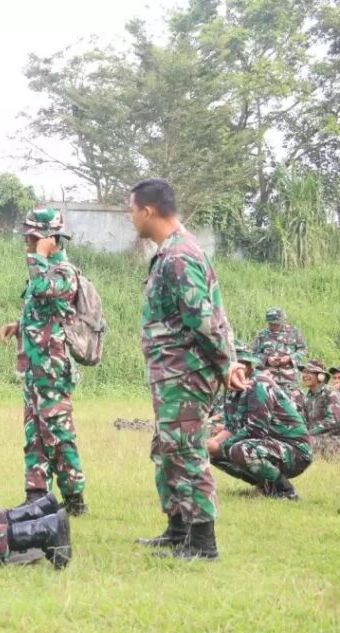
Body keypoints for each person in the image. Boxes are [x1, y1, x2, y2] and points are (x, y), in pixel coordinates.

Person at [129, 179, 248, 561]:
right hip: (173, 374)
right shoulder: (172, 252)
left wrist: (226, 363)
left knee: (187, 450)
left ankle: (203, 543)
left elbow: (204, 320)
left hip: (186, 374)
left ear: (147, 211)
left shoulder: (180, 256)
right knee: (169, 449)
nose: (131, 218)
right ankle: (178, 528)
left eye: (132, 210)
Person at [0, 208, 87, 516]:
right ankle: (35, 493)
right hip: (34, 369)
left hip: (52, 369)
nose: (27, 239)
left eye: (33, 235)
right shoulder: (44, 269)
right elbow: (44, 312)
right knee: (33, 433)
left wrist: (39, 253)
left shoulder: (63, 272)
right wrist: (18, 326)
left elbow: (42, 288)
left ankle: (75, 500)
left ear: (50, 238)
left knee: (58, 433)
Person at [209, 347, 312, 500]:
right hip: (268, 445)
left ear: (245, 366)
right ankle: (265, 486)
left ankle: (285, 491)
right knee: (214, 454)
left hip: (295, 451)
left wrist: (221, 446)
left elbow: (256, 430)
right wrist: (212, 444)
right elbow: (232, 427)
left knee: (240, 449)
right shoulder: (233, 387)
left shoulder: (259, 384)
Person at [252, 308, 308, 409]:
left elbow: (303, 349)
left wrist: (290, 358)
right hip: (268, 378)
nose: (273, 326)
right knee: (267, 406)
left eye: (276, 323)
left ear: (283, 321)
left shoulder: (294, 332)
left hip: (289, 380)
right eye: (271, 323)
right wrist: (267, 359)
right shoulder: (262, 335)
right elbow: (253, 354)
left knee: (293, 407)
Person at [301, 360, 340, 436]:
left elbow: (334, 420)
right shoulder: (307, 398)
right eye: (304, 372)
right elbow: (303, 422)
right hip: (313, 440)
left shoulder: (330, 393)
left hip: (332, 442)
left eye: (309, 372)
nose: (305, 375)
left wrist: (310, 433)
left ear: (320, 376)